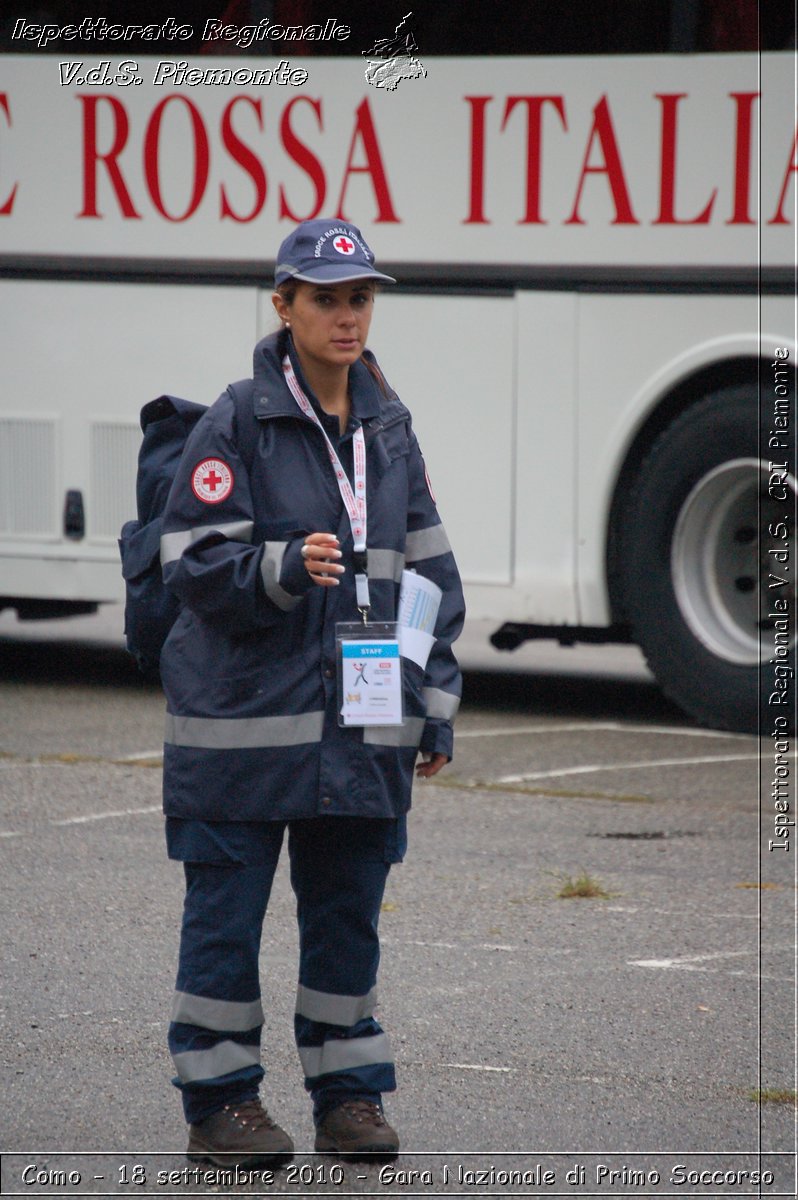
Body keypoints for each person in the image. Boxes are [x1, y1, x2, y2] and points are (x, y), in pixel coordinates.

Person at [158, 218, 465, 1167]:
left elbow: (428, 574)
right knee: (226, 924)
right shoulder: (237, 420)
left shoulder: (389, 424)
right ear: (282, 304)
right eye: (324, 297)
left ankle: (349, 1097)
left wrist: (434, 698)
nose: (345, 315)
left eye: (359, 298)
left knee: (347, 920)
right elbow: (190, 560)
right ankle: (222, 1105)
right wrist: (282, 568)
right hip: (243, 729)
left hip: (362, 725)